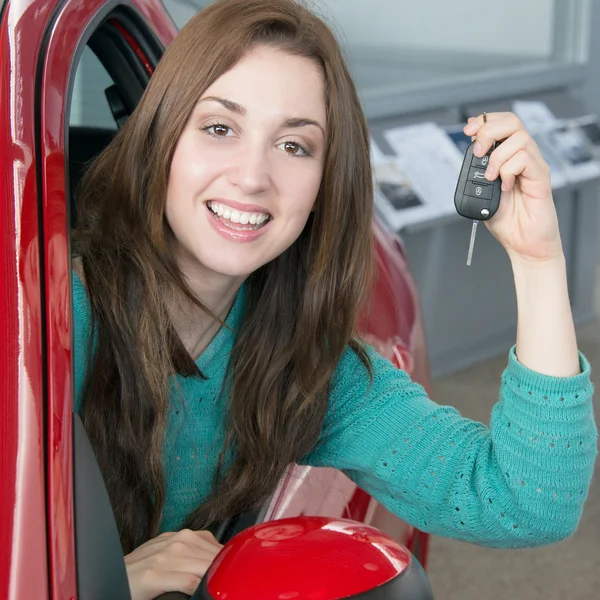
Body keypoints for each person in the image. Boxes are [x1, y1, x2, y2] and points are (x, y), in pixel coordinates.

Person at [71, 0, 597, 597]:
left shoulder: (304, 367)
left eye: (294, 146)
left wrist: (537, 262)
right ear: (160, 139)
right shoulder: (56, 323)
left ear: (323, 185)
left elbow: (527, 505)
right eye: (220, 128)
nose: (251, 176)